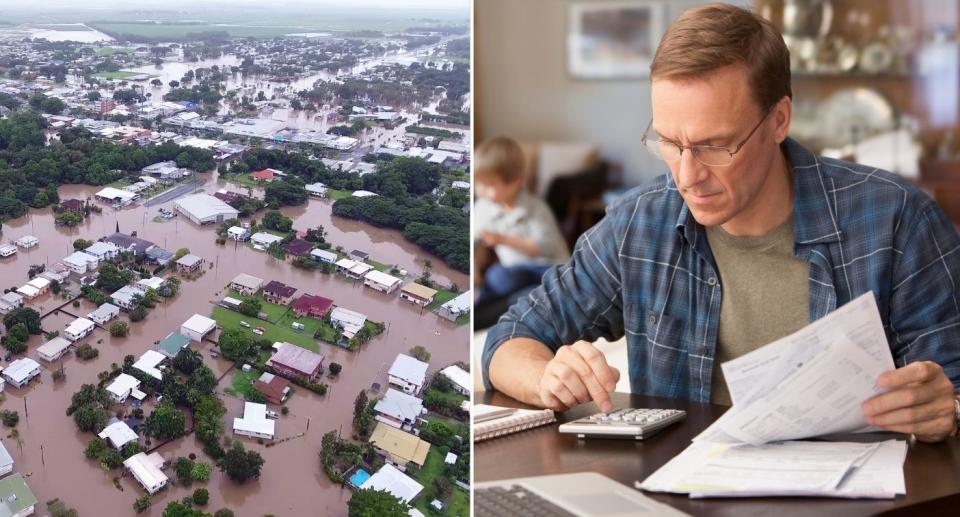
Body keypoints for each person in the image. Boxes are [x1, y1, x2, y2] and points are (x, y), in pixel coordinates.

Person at [482, 3, 960, 443]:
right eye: (669, 142)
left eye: (715, 145)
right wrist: (548, 376)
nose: (688, 176)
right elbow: (507, 340)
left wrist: (950, 408)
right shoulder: (638, 225)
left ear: (779, 120)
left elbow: (951, 387)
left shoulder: (898, 221)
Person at [474, 136, 570, 305]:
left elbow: (545, 247)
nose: (481, 191)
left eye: (489, 185)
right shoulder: (483, 207)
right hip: (517, 274)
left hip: (549, 269)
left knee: (500, 276)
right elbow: (474, 242)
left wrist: (502, 239)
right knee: (501, 285)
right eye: (478, 184)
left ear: (514, 182)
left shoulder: (536, 208)